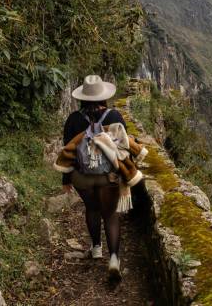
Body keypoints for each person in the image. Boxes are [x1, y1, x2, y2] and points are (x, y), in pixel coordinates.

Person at [62, 75, 127, 279]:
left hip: (83, 177)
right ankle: (114, 258)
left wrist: (66, 180)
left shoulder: (73, 119)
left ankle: (96, 248)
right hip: (108, 177)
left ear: (83, 97)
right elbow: (124, 146)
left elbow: (68, 152)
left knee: (92, 208)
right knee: (110, 214)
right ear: (103, 96)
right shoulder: (114, 116)